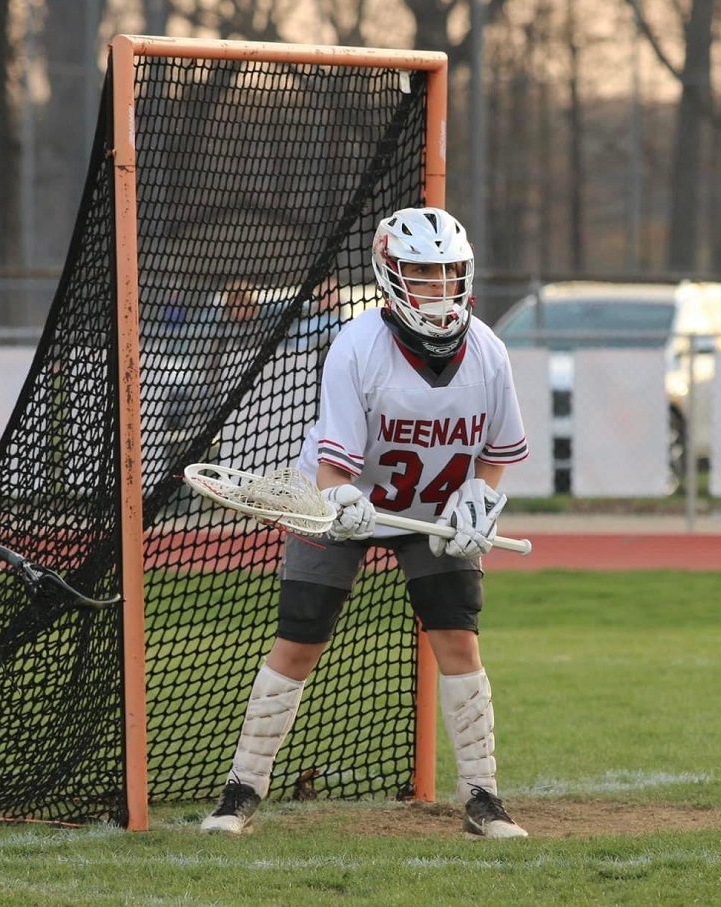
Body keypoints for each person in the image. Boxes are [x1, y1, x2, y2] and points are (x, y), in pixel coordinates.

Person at [201, 206, 530, 839]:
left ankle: (484, 798)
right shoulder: (357, 345)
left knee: (457, 639)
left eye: (449, 273)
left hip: (433, 511)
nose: (438, 288)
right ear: (389, 273)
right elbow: (332, 468)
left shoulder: (488, 351)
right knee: (301, 637)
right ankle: (240, 791)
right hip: (339, 501)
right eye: (422, 273)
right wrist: (342, 502)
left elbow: (495, 454)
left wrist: (478, 501)